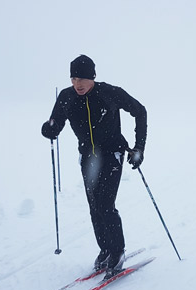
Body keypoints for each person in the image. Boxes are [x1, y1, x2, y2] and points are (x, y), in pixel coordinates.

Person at [41, 55, 147, 278]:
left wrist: (138, 148)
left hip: (112, 154)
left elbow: (140, 111)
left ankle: (117, 251)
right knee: (94, 206)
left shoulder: (110, 92)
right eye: (74, 78)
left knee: (106, 204)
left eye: (82, 79)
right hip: (88, 157)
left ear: (93, 77)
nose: (77, 84)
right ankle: (105, 249)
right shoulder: (66, 96)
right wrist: (49, 128)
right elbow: (55, 123)